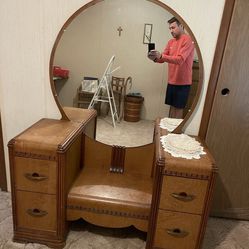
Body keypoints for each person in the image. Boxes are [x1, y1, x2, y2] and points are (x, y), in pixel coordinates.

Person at [148, 17, 194, 119]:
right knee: (172, 109)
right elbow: (163, 58)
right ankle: (169, 132)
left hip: (183, 83)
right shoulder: (170, 42)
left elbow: (180, 60)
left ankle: (174, 133)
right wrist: (155, 58)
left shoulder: (188, 40)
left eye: (173, 27)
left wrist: (161, 56)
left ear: (181, 26)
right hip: (172, 81)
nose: (171, 31)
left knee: (178, 110)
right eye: (170, 28)